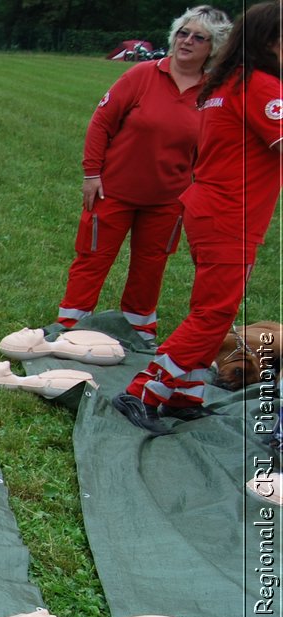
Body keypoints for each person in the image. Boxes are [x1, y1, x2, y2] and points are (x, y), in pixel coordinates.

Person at [116, 0, 283, 433]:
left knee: (215, 311)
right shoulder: (260, 85)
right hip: (231, 214)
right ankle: (143, 390)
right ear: (272, 41)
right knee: (212, 313)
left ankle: (184, 394)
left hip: (216, 208)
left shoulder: (229, 82)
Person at [56, 6, 231, 342]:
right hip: (113, 190)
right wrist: (92, 174)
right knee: (92, 259)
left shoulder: (213, 92)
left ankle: (138, 332)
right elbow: (101, 123)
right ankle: (70, 326)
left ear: (214, 47)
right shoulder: (142, 75)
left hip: (168, 200)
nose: (187, 41)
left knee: (150, 268)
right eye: (183, 33)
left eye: (199, 37)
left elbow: (213, 148)